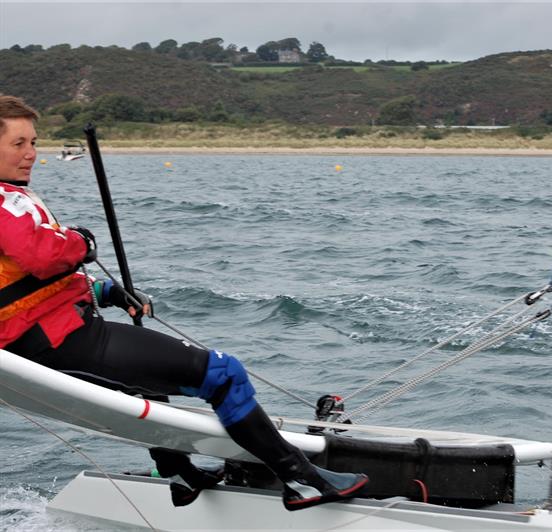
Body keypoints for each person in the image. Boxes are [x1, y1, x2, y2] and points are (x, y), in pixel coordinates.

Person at [0, 94, 368, 510]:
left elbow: (24, 283)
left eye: (34, 142)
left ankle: (178, 473)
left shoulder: (12, 198)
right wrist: (81, 241)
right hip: (57, 343)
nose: (32, 153)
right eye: (19, 144)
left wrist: (107, 292)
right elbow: (43, 256)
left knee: (148, 385)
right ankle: (303, 480)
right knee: (223, 373)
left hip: (56, 333)